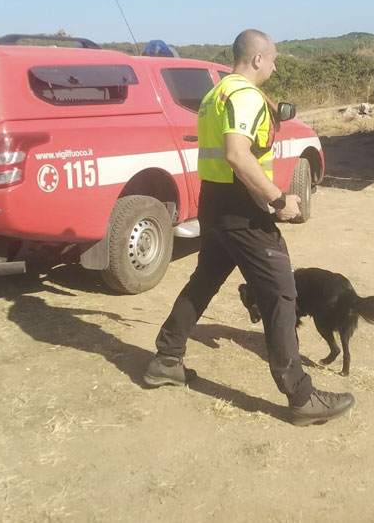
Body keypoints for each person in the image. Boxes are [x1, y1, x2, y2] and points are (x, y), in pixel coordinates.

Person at [144, 29, 354, 426]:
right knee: (281, 293)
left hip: (214, 201)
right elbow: (238, 156)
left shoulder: (214, 96)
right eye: (273, 60)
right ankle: (301, 396)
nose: (274, 67)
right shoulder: (245, 95)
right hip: (243, 207)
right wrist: (279, 200)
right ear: (257, 59)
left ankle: (167, 358)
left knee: (204, 280)